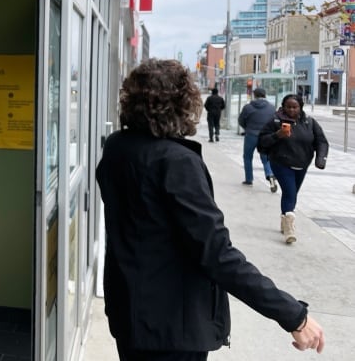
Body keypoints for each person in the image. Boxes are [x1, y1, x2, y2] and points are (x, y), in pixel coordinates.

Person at [95, 59, 324, 360]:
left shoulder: (117, 147)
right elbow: (217, 254)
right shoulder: (175, 162)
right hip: (171, 327)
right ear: (182, 104)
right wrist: (293, 314)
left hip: (130, 313)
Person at [258, 94, 328, 244]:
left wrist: (320, 158)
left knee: (292, 194)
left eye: (294, 107)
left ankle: (284, 219)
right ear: (283, 107)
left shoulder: (310, 122)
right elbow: (262, 142)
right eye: (288, 107)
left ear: (300, 107)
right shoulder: (275, 121)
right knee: (290, 193)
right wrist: (278, 135)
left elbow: (321, 141)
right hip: (280, 163)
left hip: (302, 164)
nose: (291, 110)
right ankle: (290, 229)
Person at [237, 87, 277, 191]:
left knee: (247, 157)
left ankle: (249, 179)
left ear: (254, 95)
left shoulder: (248, 107)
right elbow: (275, 122)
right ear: (265, 95)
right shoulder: (272, 108)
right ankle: (270, 175)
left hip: (251, 135)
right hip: (265, 137)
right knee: (266, 158)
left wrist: (247, 128)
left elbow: (241, 120)